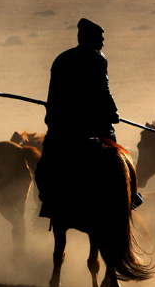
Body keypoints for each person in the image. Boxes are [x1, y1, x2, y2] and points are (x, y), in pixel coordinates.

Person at [36, 18, 139, 218]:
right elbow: (104, 90)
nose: (102, 43)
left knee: (47, 162)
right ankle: (129, 197)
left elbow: (53, 93)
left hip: (65, 126)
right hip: (95, 125)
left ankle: (49, 199)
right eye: (100, 38)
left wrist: (51, 118)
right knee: (116, 155)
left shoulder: (62, 58)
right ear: (87, 38)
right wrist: (113, 113)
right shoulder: (97, 58)